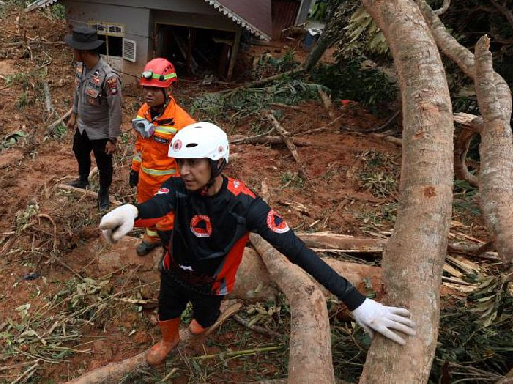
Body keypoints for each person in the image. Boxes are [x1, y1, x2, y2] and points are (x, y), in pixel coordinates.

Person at [99, 122, 416, 365]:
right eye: (181, 162)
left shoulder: (245, 205)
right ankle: (168, 342)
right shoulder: (177, 188)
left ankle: (196, 332)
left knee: (205, 319)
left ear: (217, 163)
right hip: (173, 272)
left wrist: (356, 301)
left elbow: (297, 251)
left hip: (212, 285)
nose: (185, 171)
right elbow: (159, 205)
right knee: (167, 312)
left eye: (194, 163)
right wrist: (134, 211)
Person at [130, 58, 195, 256]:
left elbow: (192, 157)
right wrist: (134, 169)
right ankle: (151, 237)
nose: (149, 94)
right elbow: (140, 144)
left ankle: (171, 252)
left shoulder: (182, 122)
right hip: (145, 179)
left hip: (167, 183)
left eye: (155, 89)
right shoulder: (144, 111)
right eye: (146, 88)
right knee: (147, 211)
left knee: (167, 220)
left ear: (169, 90)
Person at [65, 26, 122, 211]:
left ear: (83, 52)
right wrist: (74, 115)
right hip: (83, 126)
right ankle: (83, 180)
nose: (73, 52)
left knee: (103, 164)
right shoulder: (80, 67)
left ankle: (103, 192)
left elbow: (115, 110)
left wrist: (112, 138)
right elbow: (78, 92)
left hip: (100, 130)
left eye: (75, 49)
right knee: (79, 151)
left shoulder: (109, 77)